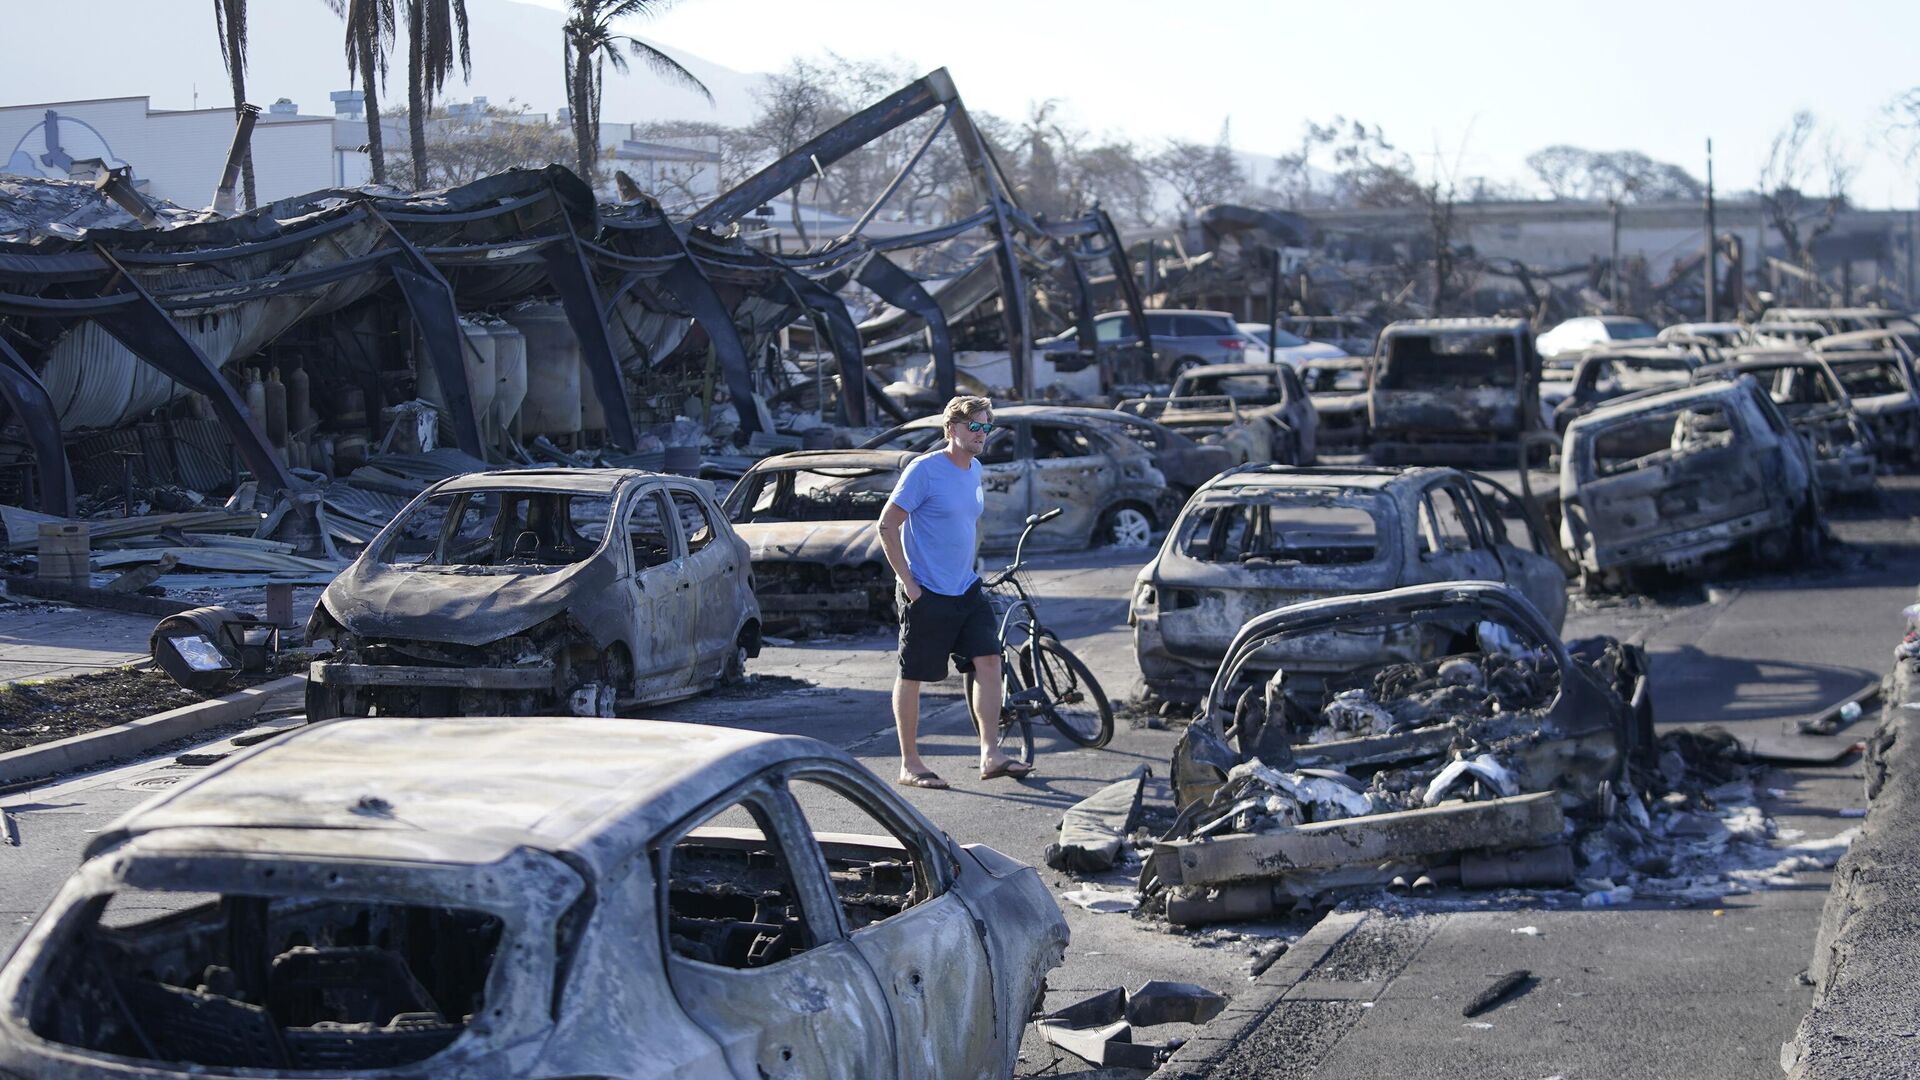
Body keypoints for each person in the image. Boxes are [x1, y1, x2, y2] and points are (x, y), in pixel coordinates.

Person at [878, 395, 1030, 789]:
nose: (980, 434)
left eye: (985, 427)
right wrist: (909, 584)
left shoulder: (974, 469)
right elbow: (886, 526)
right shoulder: (924, 471)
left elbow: (964, 524)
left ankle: (990, 754)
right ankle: (909, 764)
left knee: (990, 660)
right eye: (973, 426)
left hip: (965, 587)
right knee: (912, 675)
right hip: (926, 591)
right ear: (951, 429)